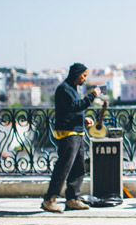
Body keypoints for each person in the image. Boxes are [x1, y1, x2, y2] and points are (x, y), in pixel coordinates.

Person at [41, 63, 100, 213]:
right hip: (68, 133)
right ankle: (49, 199)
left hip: (77, 132)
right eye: (84, 75)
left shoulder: (73, 89)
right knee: (64, 167)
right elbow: (75, 106)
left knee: (78, 167)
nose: (85, 79)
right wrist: (93, 95)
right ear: (77, 74)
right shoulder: (64, 89)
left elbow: (73, 110)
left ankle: (73, 198)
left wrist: (83, 120)